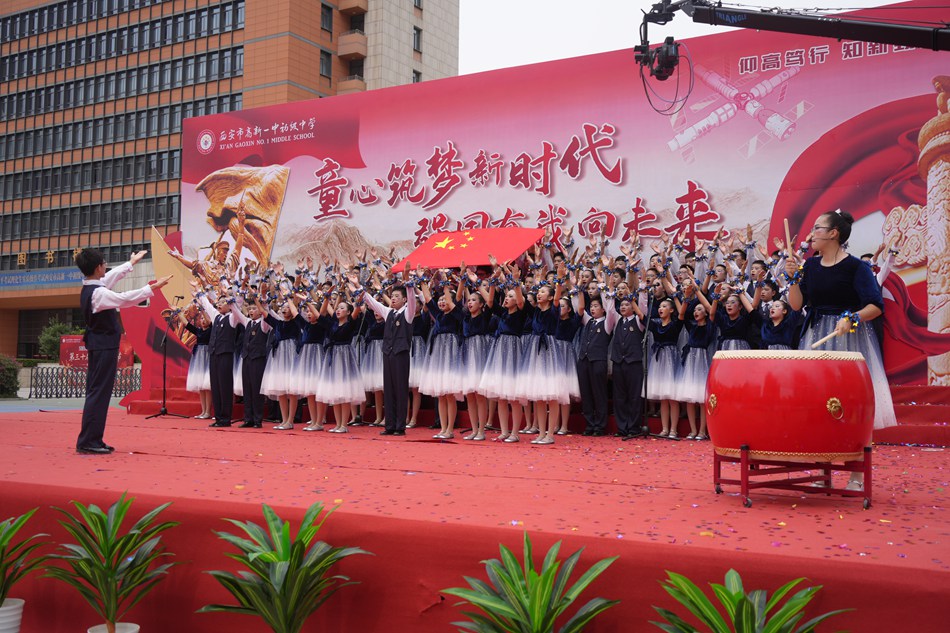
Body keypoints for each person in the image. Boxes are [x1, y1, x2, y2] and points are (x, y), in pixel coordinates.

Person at [785, 209, 897, 490]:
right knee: (817, 404)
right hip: (816, 336)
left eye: (817, 228)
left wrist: (852, 318)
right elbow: (796, 305)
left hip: (849, 340)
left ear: (833, 233)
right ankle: (822, 472)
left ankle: (856, 475)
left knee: (851, 406)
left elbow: (875, 306)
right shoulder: (810, 266)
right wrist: (793, 278)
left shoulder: (856, 267)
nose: (811, 234)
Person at [75, 248, 170, 454]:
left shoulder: (93, 286)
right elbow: (124, 299)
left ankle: (93, 439)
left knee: (98, 391)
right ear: (98, 268)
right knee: (99, 392)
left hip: (100, 344)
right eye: (104, 264)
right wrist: (152, 288)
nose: (106, 267)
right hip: (103, 345)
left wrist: (131, 263)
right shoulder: (99, 293)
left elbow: (112, 277)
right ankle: (88, 441)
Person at [354, 272, 416, 436]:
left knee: (400, 389)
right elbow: (372, 303)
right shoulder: (388, 312)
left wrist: (408, 285)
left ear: (404, 299)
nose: (393, 298)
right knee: (388, 389)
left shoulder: (408, 313)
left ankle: (400, 426)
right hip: (387, 353)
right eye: (392, 296)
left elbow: (412, 301)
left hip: (401, 354)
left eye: (397, 296)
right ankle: (390, 425)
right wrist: (359, 286)